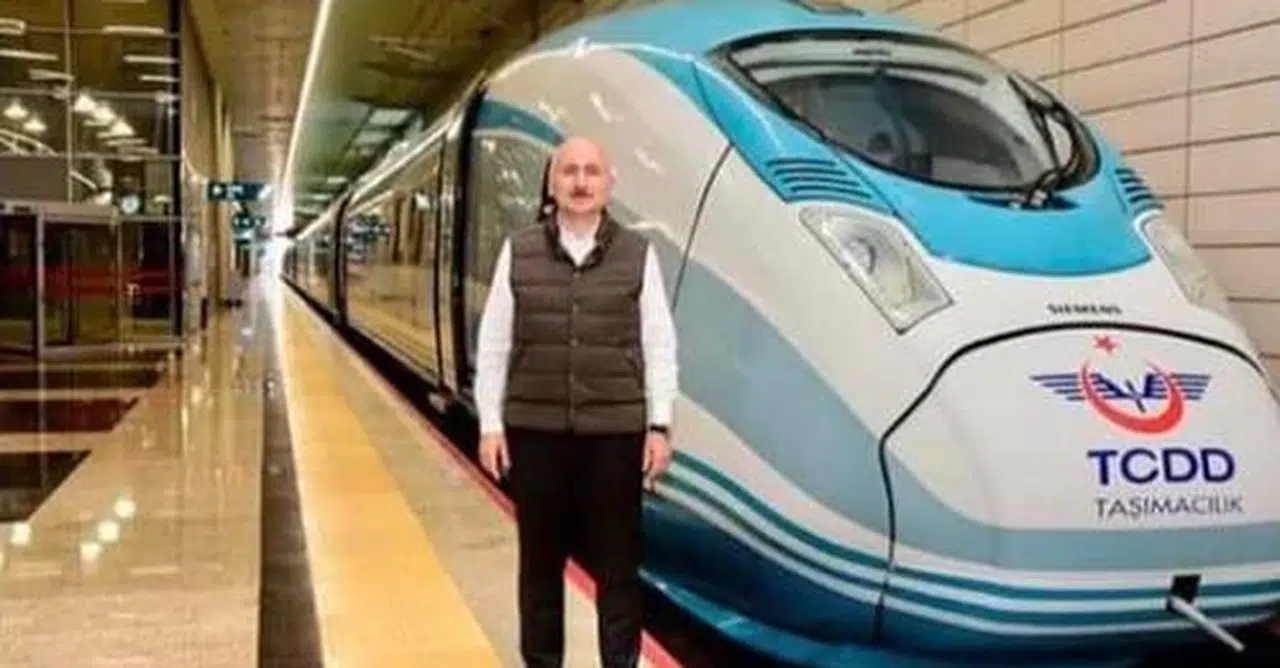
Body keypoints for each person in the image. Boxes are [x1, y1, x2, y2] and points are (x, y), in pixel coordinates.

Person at [473, 135, 678, 668]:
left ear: (610, 184)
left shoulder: (638, 255)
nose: (581, 182)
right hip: (536, 435)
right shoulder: (518, 250)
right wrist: (491, 424)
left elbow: (659, 343)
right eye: (569, 171)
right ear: (551, 182)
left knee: (619, 569)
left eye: (592, 171)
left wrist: (659, 426)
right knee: (539, 568)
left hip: (615, 437)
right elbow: (494, 342)